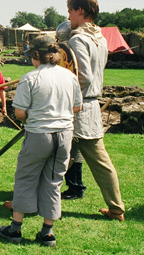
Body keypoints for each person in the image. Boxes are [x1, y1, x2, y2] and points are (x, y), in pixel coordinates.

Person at [0, 35, 82, 247]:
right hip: (64, 135)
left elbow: (20, 113)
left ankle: (15, 229)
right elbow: (77, 107)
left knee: (26, 177)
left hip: (39, 135)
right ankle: (47, 233)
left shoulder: (30, 78)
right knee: (54, 181)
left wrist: (39, 115)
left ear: (37, 54)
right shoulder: (69, 76)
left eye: (31, 56)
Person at [66, 0, 125, 221]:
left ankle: (25, 203)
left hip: (77, 108)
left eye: (70, 11)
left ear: (80, 11)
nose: (69, 15)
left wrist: (61, 96)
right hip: (88, 106)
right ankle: (116, 209)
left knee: (44, 155)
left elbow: (84, 78)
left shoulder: (79, 39)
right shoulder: (99, 38)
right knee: (54, 157)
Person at [55, 20, 88, 200]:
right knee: (72, 147)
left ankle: (75, 187)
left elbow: (81, 77)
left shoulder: (72, 51)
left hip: (75, 103)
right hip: (76, 102)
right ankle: (72, 185)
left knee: (74, 147)